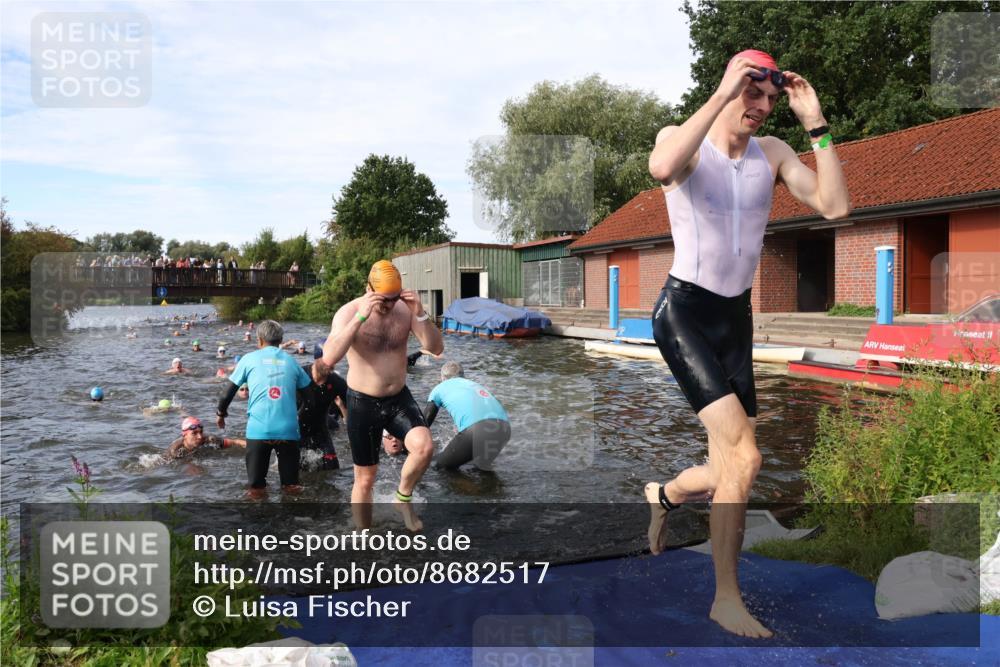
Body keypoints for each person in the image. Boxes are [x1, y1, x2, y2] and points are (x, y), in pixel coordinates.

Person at [645, 49, 850, 638]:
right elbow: (662, 168)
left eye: (768, 98)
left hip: (734, 319)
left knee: (726, 467)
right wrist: (719, 93)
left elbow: (835, 206)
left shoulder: (775, 154)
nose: (761, 107)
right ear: (731, 86)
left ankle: (663, 494)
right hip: (683, 312)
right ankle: (725, 598)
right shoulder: (685, 140)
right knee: (748, 459)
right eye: (751, 94)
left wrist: (816, 125)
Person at [321, 259, 444, 531]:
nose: (389, 305)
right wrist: (360, 318)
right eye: (383, 299)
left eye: (394, 298)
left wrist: (421, 313)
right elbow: (329, 358)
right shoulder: (348, 312)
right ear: (368, 288)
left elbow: (435, 348)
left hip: (398, 397)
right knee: (366, 479)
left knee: (424, 448)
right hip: (362, 401)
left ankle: (403, 497)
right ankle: (364, 537)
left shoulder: (404, 310)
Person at [216, 320, 313, 498]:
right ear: (281, 339)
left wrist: (221, 414)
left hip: (259, 431)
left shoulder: (248, 359)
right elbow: (310, 400)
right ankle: (295, 522)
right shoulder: (292, 362)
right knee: (291, 487)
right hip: (288, 431)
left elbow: (226, 394)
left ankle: (258, 521)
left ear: (259, 340)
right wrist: (296, 417)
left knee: (256, 488)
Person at [424, 361, 510, 470]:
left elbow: (423, 425)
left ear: (442, 378)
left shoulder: (439, 388)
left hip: (478, 430)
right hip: (504, 429)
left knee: (438, 466)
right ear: (463, 376)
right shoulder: (474, 385)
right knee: (480, 468)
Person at [296, 355, 348, 470]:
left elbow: (353, 409)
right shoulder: (299, 375)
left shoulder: (337, 382)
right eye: (326, 359)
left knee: (333, 470)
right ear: (316, 357)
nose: (330, 363)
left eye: (333, 360)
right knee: (297, 474)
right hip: (296, 432)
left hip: (321, 432)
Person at [164, 416, 246, 461]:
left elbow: (235, 442)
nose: (200, 436)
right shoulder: (175, 451)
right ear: (184, 435)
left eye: (201, 432)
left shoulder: (209, 440)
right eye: (194, 433)